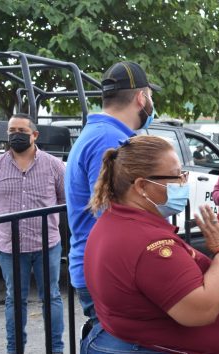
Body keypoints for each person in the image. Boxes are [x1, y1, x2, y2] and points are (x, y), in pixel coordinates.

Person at [80, 135, 219, 354]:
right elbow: (201, 310)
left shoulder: (115, 219)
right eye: (176, 176)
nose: (184, 181)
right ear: (141, 186)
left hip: (136, 349)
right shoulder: (149, 243)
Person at [65, 61, 160, 325]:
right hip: (108, 270)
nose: (151, 102)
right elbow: (114, 214)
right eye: (150, 96)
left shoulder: (101, 133)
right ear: (141, 98)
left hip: (101, 266)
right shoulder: (108, 140)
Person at [0, 114, 66, 354]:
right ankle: (14, 351)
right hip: (10, 246)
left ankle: (56, 350)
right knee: (14, 300)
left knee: (51, 297)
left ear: (34, 135)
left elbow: (65, 201)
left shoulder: (54, 165)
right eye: (11, 131)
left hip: (47, 244)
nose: (15, 135)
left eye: (21, 130)